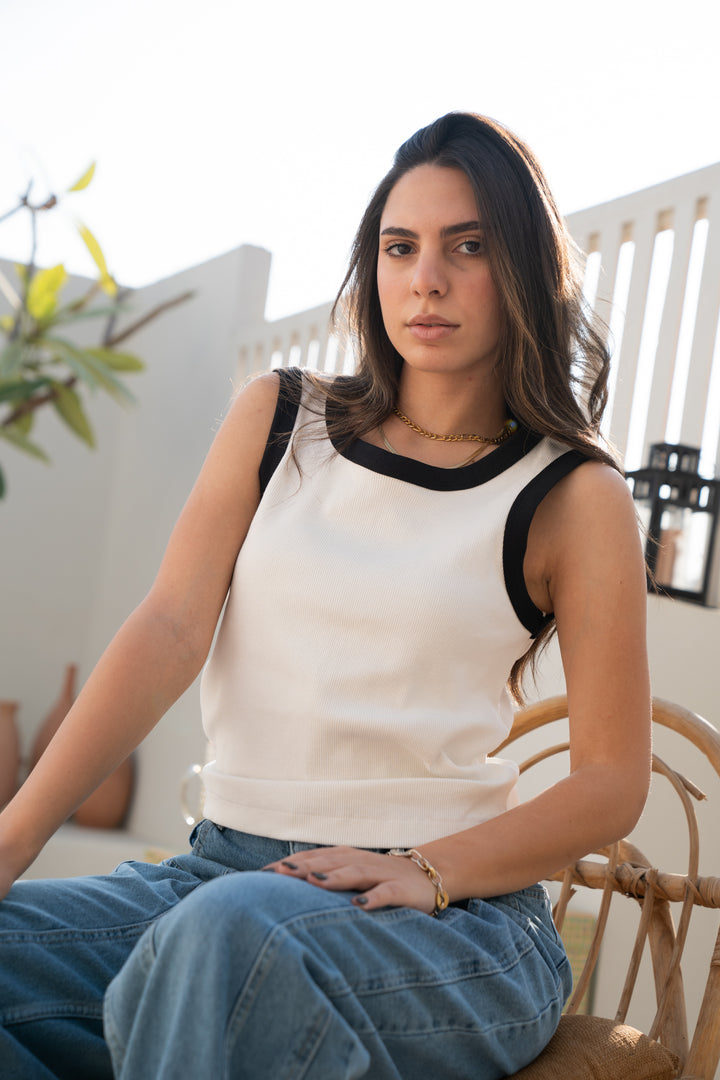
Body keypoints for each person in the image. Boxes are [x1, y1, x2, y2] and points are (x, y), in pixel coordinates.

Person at [0, 112, 651, 1079]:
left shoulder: (572, 496)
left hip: (450, 920)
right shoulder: (281, 419)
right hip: (223, 873)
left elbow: (611, 782)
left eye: (467, 246)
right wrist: (11, 839)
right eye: (401, 247)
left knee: (229, 942)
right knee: (198, 932)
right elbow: (172, 628)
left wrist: (430, 870)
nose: (425, 278)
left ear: (523, 270)